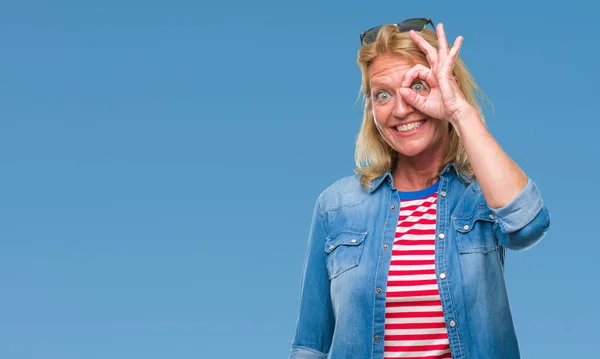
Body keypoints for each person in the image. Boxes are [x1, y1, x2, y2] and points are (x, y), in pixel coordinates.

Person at [288, 18, 551, 359]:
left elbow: (528, 225)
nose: (401, 109)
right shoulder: (336, 207)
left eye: (418, 87)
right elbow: (311, 345)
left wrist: (459, 111)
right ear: (371, 110)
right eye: (382, 95)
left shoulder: (482, 193)